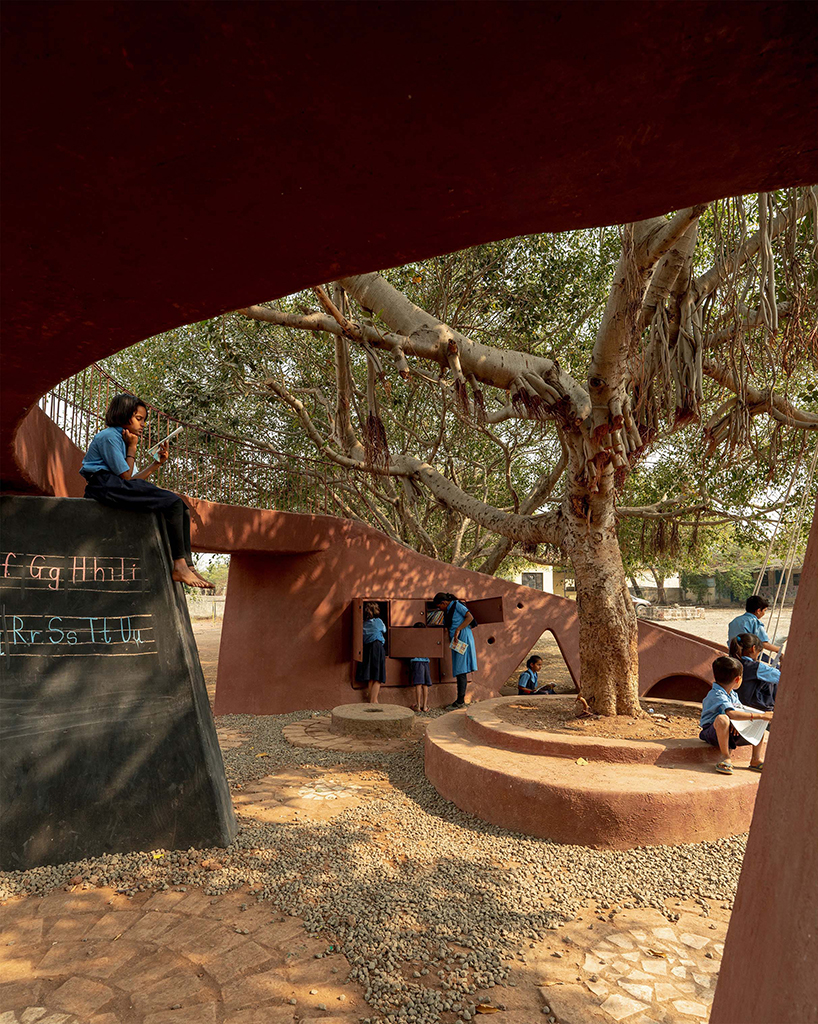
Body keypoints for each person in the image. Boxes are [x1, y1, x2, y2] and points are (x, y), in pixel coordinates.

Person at [81, 394, 213, 589]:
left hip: (114, 484)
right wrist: (132, 447)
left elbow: (132, 481)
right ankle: (179, 565)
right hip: (102, 485)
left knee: (181, 506)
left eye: (144, 420)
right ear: (123, 415)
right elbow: (126, 478)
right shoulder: (110, 436)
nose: (143, 424)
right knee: (172, 502)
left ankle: (188, 565)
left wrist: (156, 464)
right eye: (138, 418)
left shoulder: (120, 437)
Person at [699, 655, 772, 775]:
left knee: (759, 726)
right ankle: (725, 757)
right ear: (738, 679)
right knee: (723, 719)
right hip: (713, 732)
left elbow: (739, 712)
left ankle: (755, 759)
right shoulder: (717, 694)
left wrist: (738, 722)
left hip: (732, 732)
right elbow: (731, 713)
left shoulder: (733, 694)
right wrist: (761, 715)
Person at [432, 591, 477, 710]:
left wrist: (458, 630)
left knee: (461, 669)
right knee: (459, 669)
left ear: (444, 602)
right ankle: (459, 700)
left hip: (462, 638)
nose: (440, 609)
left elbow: (470, 617)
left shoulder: (457, 605)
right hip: (457, 640)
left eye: (439, 606)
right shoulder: (449, 609)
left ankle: (460, 701)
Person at [729, 632, 780, 713]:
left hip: (736, 702)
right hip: (753, 705)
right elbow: (780, 677)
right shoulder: (755, 667)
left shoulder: (732, 662)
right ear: (753, 648)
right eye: (759, 653)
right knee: (772, 683)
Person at [357, 602, 387, 704]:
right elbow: (384, 630)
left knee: (370, 675)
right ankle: (374, 701)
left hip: (367, 648)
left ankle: (371, 699)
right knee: (378, 676)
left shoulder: (363, 624)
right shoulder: (378, 622)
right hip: (377, 647)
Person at [408, 622, 432, 712]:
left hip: (416, 662)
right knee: (425, 685)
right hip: (425, 662)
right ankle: (425, 706)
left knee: (418, 684)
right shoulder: (426, 640)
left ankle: (418, 706)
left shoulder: (413, 639)